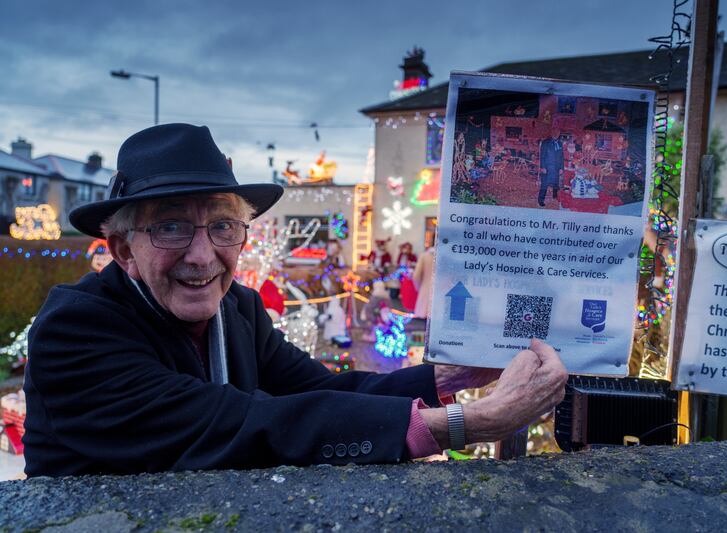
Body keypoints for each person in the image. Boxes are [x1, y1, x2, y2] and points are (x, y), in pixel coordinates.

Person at [23, 124, 567, 477]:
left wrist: (450, 377)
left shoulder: (238, 308)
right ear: (122, 249)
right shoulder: (77, 329)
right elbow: (241, 420)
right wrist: (471, 422)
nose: (202, 254)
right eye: (169, 228)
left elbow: (325, 389)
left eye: (222, 226)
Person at [538, 136, 564, 207]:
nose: (556, 135)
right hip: (547, 167)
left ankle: (555, 196)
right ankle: (541, 200)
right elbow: (542, 156)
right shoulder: (545, 142)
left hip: (556, 168)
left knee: (556, 183)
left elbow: (561, 156)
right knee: (544, 184)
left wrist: (561, 168)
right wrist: (543, 167)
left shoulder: (560, 143)